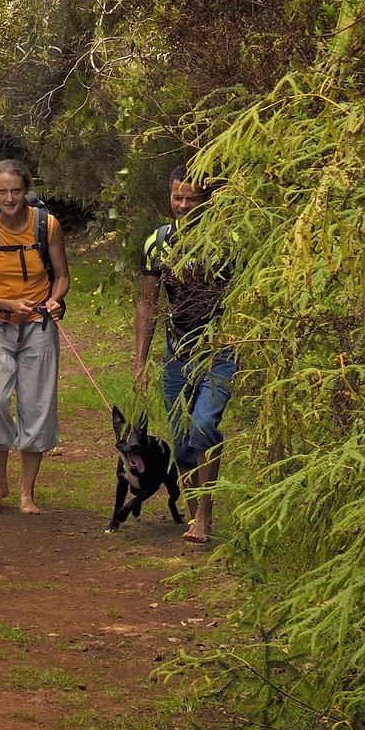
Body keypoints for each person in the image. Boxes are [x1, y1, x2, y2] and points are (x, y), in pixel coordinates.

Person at [0, 158, 69, 514]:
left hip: (38, 325)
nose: (9, 198)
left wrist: (53, 301)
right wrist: (5, 303)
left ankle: (27, 494)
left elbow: (62, 276)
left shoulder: (48, 226)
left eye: (16, 191)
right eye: (2, 191)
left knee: (37, 406)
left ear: (27, 190)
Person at [135, 166, 234, 546]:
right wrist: (141, 360)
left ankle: (204, 517)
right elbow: (148, 303)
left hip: (220, 350)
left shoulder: (229, 243)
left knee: (203, 426)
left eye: (192, 198)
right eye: (178, 197)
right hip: (177, 353)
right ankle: (196, 516)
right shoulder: (158, 243)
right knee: (180, 442)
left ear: (207, 199)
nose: (184, 205)